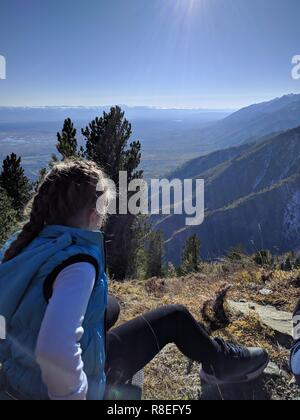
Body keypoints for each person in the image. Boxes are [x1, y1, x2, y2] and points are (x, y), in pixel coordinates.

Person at [0, 160, 269, 400]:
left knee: (109, 306)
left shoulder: (24, 243)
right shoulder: (77, 264)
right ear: (93, 213)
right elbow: (53, 350)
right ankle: (220, 363)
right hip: (51, 388)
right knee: (174, 317)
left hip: (18, 373)